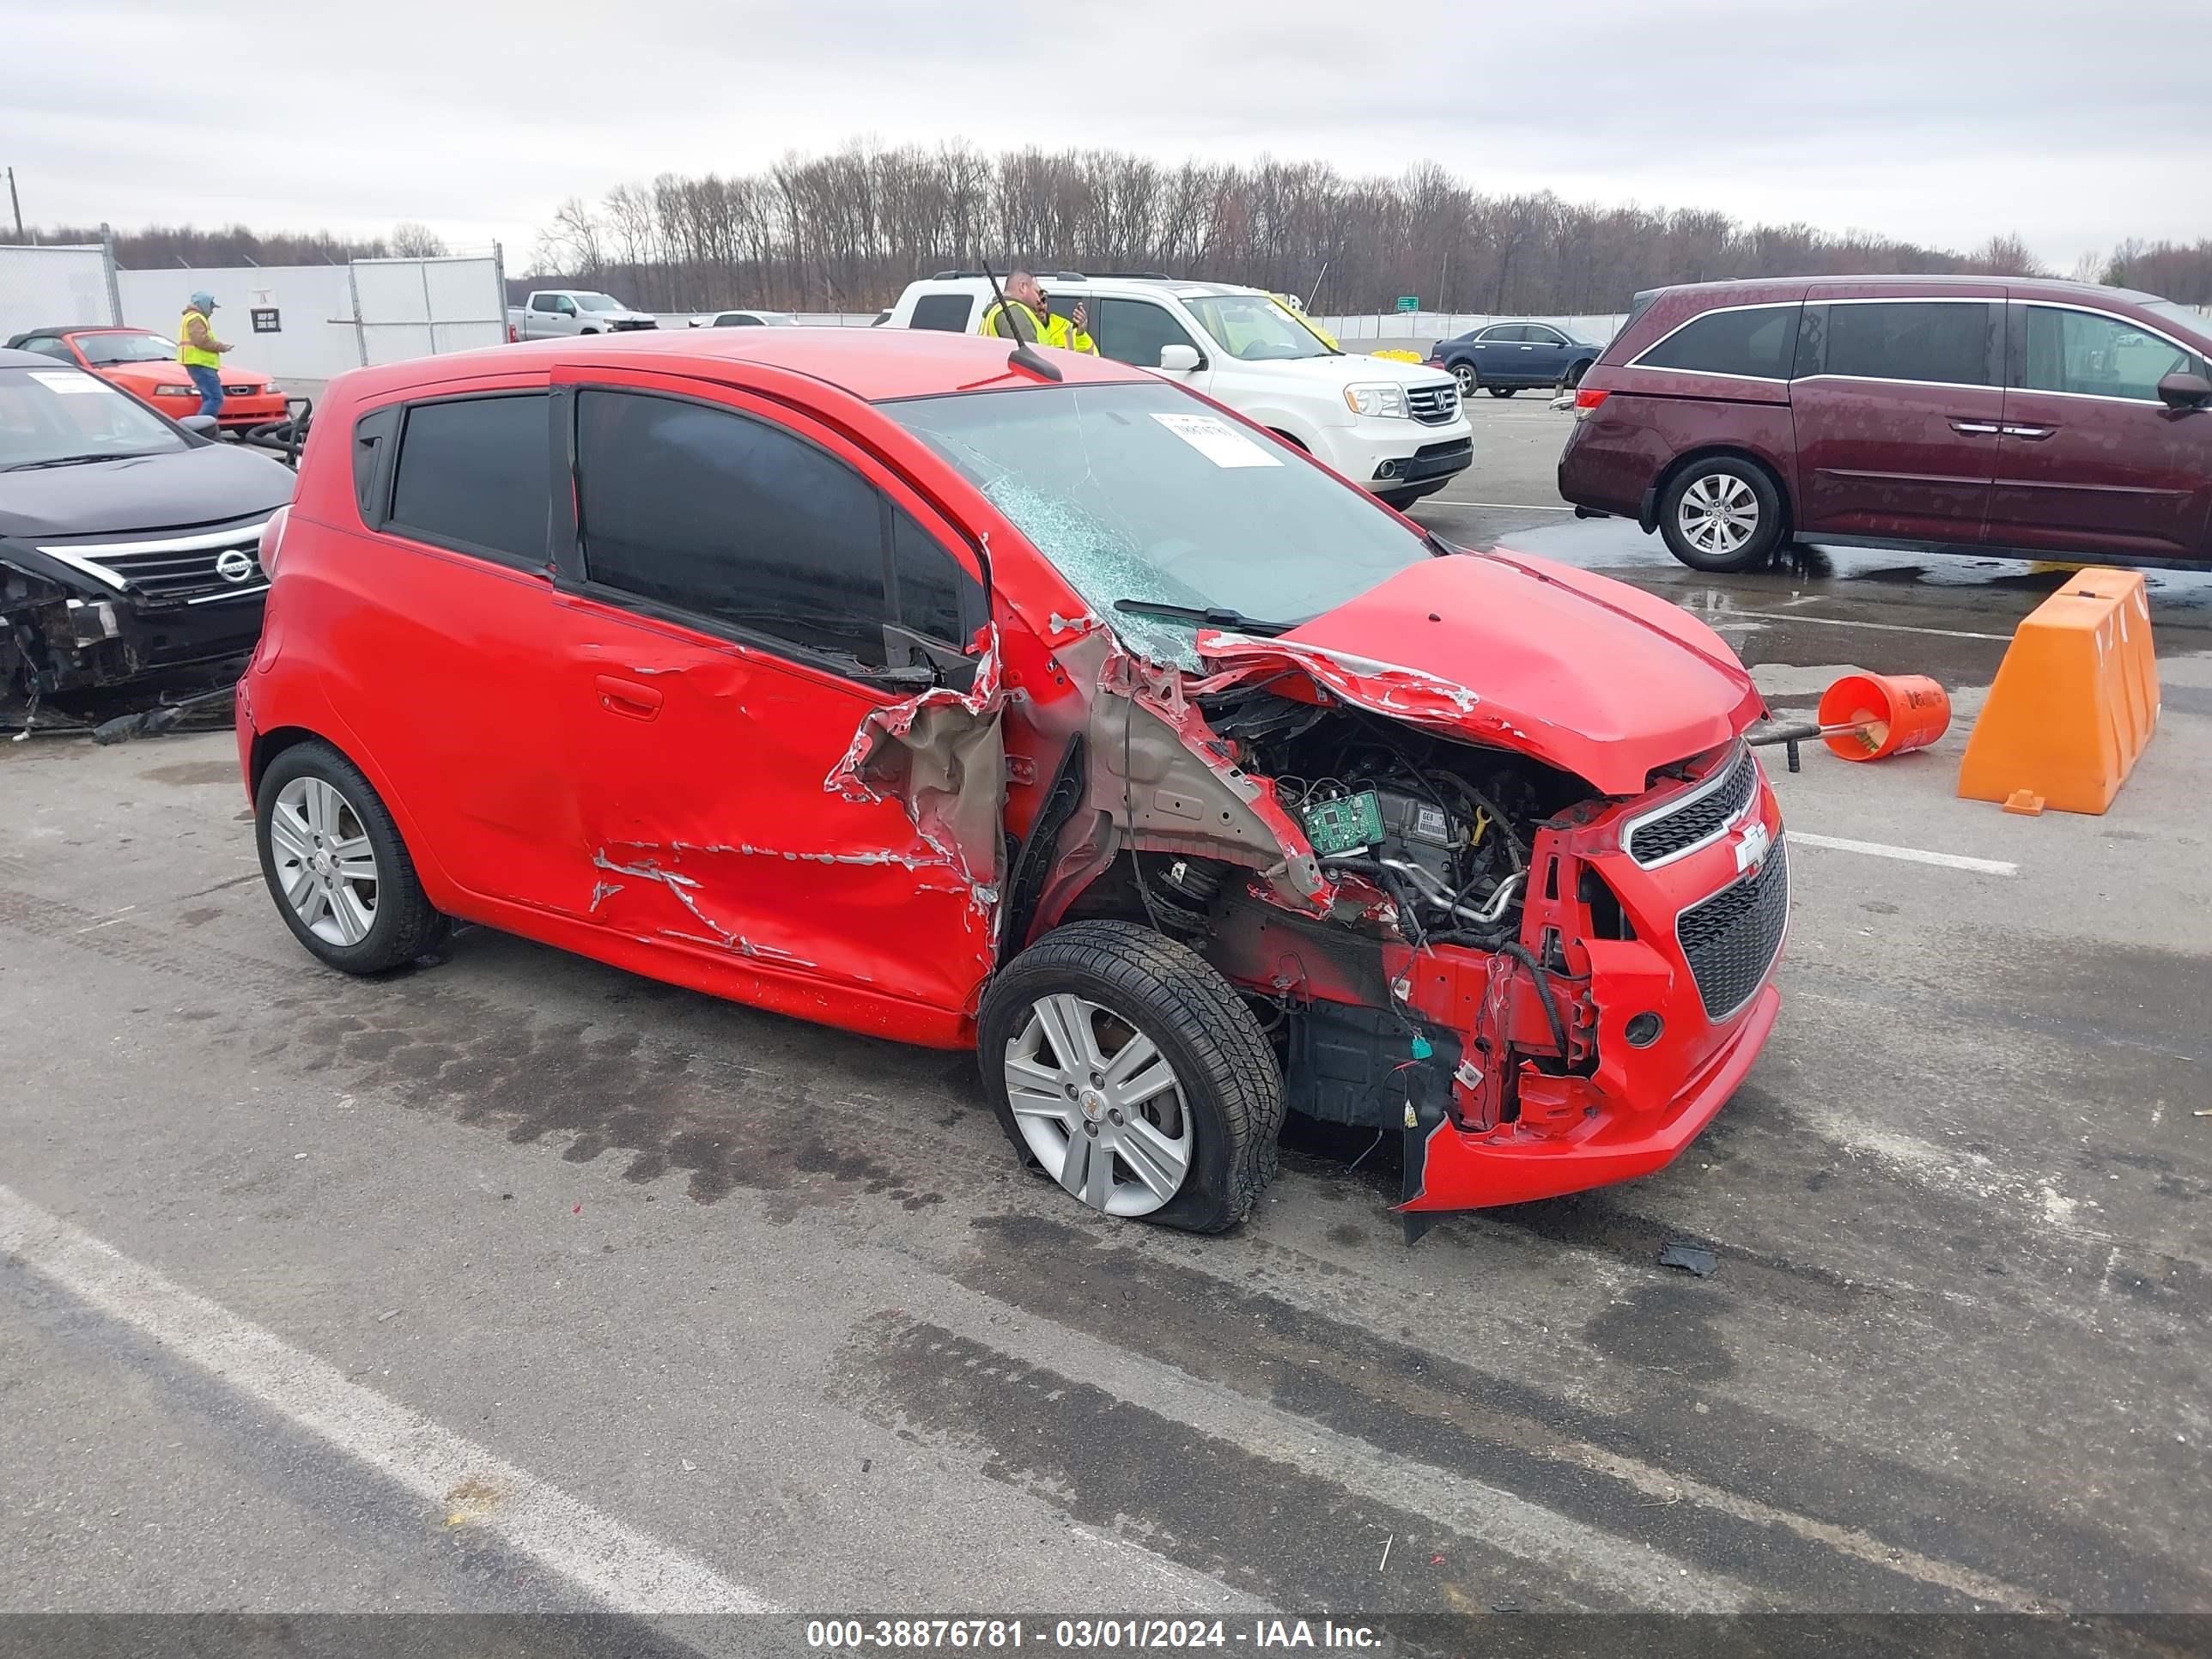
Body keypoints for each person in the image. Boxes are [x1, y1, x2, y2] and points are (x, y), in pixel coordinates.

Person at [978, 270, 1097, 355]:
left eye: (1043, 298)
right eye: (1036, 292)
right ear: (1022, 287)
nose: (1039, 300)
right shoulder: (1014, 312)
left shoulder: (997, 310)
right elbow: (1032, 363)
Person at [176, 291, 232, 418]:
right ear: (203, 305)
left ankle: (208, 431)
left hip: (199, 364)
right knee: (215, 399)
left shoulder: (192, 317)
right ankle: (201, 431)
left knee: (209, 399)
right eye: (211, 307)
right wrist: (221, 347)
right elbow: (201, 341)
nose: (212, 311)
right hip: (200, 364)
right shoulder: (196, 318)